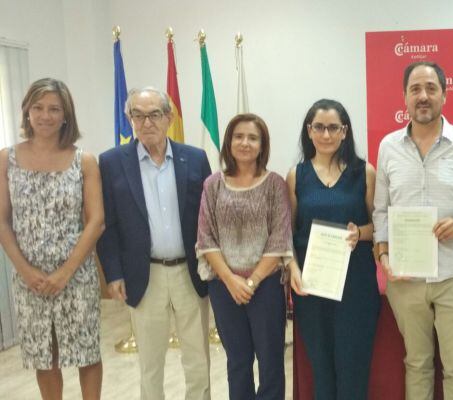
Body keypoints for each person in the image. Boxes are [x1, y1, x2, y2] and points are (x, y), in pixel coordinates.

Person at [373, 61, 453, 399]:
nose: (423, 96)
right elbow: (381, 209)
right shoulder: (388, 147)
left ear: (444, 94)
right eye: (415, 89)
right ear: (404, 97)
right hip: (406, 278)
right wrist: (383, 254)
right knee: (417, 363)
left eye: (431, 88)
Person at [97, 87, 212, 400]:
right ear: (130, 119)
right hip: (143, 274)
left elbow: (209, 216)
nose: (146, 122)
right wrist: (113, 273)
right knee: (150, 363)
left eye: (154, 114)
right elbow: (107, 225)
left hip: (190, 272)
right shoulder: (110, 162)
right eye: (138, 115)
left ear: (168, 117)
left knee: (197, 358)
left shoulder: (196, 158)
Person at [0, 78, 104, 400]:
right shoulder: (7, 159)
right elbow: (2, 221)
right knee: (43, 355)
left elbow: (96, 221)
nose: (45, 115)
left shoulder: (83, 161)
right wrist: (25, 271)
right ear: (27, 112)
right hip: (28, 278)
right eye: (38, 107)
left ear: (65, 115)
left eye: (54, 109)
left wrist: (64, 273)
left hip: (75, 275)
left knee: (85, 351)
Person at [287, 99, 380, 399]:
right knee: (321, 368)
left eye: (333, 128)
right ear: (309, 131)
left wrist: (360, 233)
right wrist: (293, 272)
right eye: (319, 127)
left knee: (353, 367)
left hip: (356, 287)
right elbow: (287, 234)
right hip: (312, 288)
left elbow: (380, 227)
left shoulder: (364, 172)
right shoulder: (296, 176)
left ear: (344, 132)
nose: (326, 135)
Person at [196, 113, 292, 400]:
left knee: (271, 361)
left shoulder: (275, 184)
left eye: (253, 137)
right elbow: (205, 238)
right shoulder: (213, 184)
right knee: (237, 362)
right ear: (229, 142)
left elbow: (279, 238)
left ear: (262, 145)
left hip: (266, 288)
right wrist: (231, 280)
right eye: (238, 136)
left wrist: (251, 282)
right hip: (224, 287)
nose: (245, 143)